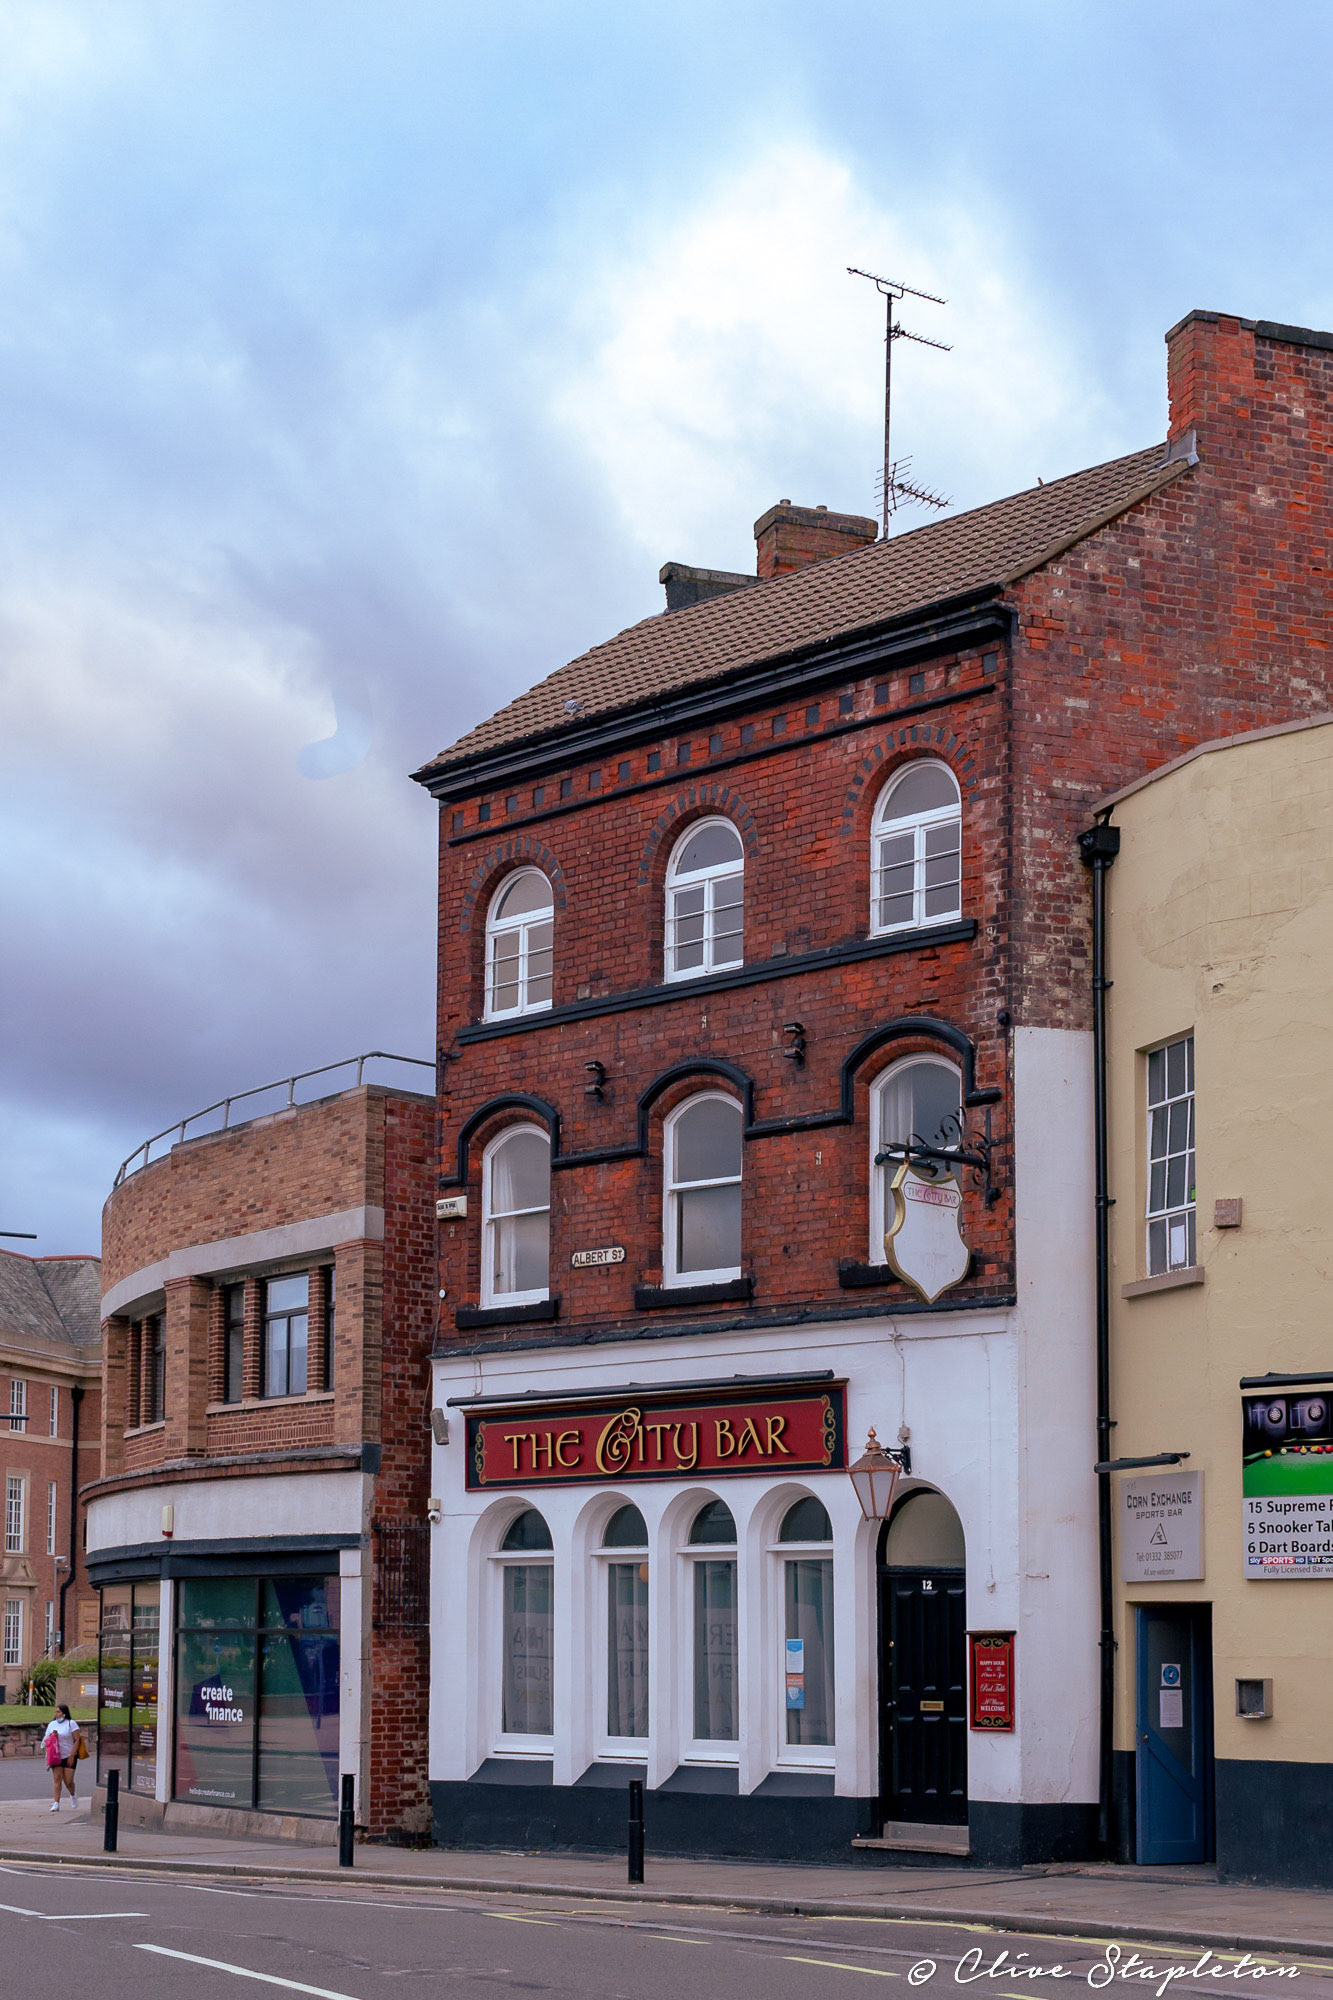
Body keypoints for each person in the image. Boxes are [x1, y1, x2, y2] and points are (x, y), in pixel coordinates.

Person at [41, 1704, 83, 1813]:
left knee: (68, 1781)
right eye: (55, 1712)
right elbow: (46, 1739)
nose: (56, 1714)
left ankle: (73, 1794)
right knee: (57, 1778)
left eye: (58, 1712)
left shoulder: (71, 1723)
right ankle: (56, 1803)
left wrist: (72, 1755)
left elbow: (77, 1740)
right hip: (56, 1756)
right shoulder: (52, 1724)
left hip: (69, 1755)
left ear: (64, 1714)